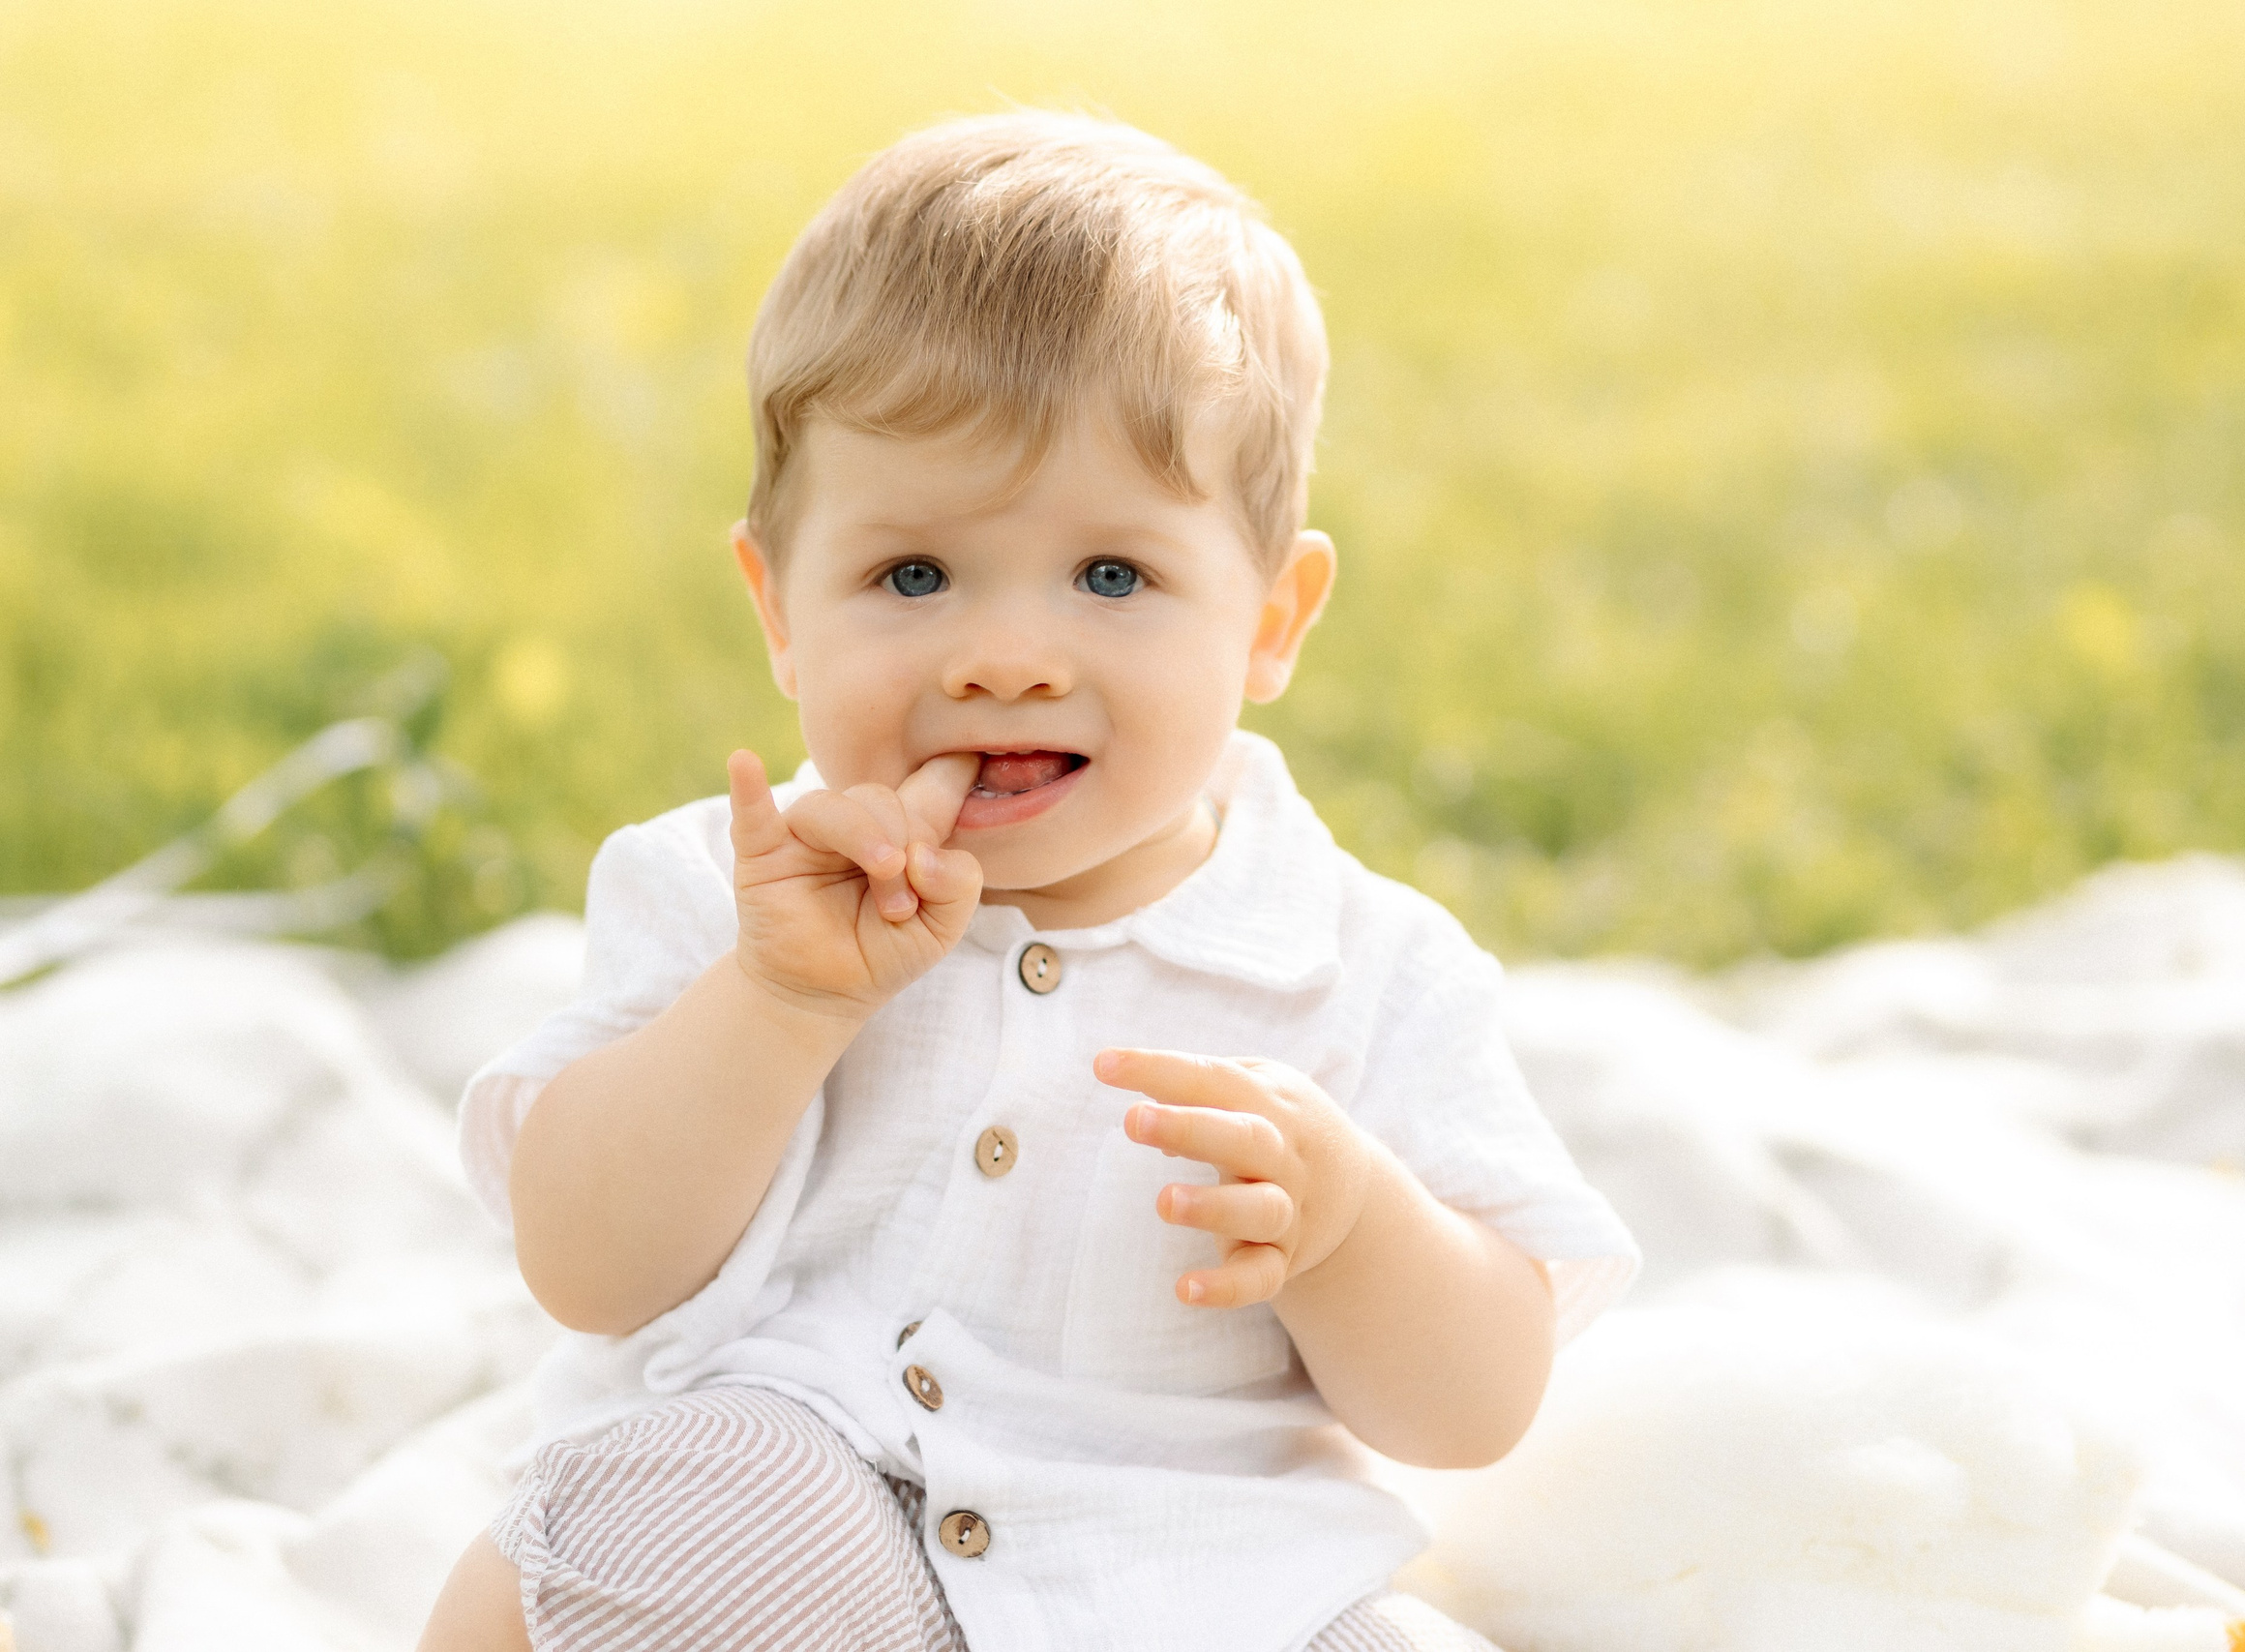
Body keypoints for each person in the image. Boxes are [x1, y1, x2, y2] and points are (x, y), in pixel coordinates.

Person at [417, 109, 1638, 1652]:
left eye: (1113, 575)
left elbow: (1473, 1410)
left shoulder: (1361, 968)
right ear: (777, 608)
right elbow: (587, 1269)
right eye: (912, 576)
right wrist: (777, 1005)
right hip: (810, 1541)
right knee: (656, 1505)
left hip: (1192, 1582)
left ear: (1272, 619)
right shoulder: (730, 892)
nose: (1004, 658)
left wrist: (1354, 1232)